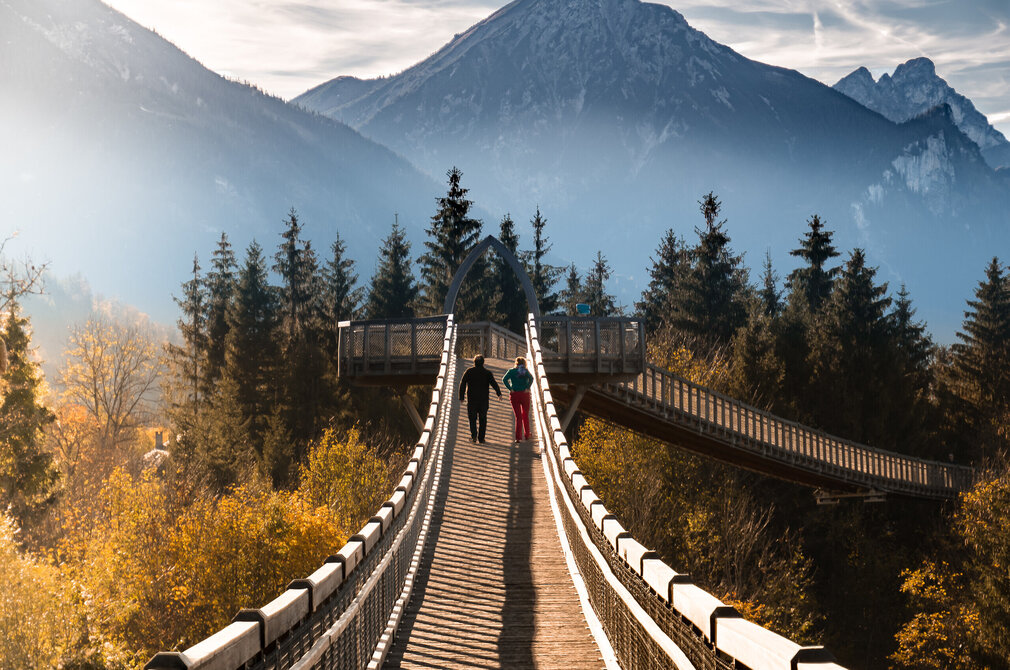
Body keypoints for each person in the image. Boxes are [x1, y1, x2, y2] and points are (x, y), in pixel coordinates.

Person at [458, 354, 501, 444]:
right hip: (483, 400)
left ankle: (474, 436)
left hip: (472, 400)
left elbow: (463, 384)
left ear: (474, 362)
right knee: (483, 419)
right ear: (483, 363)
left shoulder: (469, 371)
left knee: (472, 418)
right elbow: (494, 383)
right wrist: (499, 393)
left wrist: (461, 396)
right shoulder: (487, 373)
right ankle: (481, 438)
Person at [502, 356, 534, 443]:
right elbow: (531, 378)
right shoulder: (525, 371)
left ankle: (518, 438)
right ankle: (527, 434)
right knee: (525, 415)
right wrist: (527, 387)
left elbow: (504, 379)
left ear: (516, 363)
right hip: (524, 394)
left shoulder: (511, 371)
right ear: (524, 363)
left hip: (514, 394)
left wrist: (510, 388)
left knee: (518, 417)